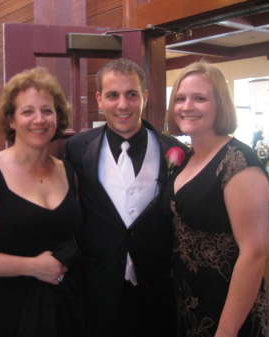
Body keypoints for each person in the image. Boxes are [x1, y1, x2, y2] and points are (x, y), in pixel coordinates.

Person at [0, 67, 84, 337]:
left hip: (64, 307)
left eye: (47, 111)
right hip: (9, 311)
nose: (39, 119)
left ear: (57, 117)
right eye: (27, 111)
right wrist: (30, 267)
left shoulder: (67, 171)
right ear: (11, 120)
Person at [65, 58, 185, 337]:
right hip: (98, 285)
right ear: (99, 99)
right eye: (112, 95)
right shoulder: (76, 148)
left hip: (156, 286)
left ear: (144, 97)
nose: (123, 104)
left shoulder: (175, 150)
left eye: (131, 94)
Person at [164, 61, 269, 337]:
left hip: (226, 304)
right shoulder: (186, 158)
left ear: (219, 105)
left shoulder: (238, 162)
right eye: (180, 98)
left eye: (200, 98)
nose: (187, 106)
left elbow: (255, 252)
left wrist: (226, 331)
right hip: (189, 298)